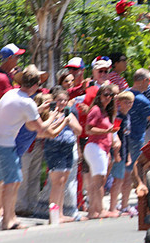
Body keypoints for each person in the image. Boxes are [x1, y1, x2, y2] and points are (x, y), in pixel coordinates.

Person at [0, 65, 64, 230]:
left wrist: (37, 110)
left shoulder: (11, 93)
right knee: (12, 182)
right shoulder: (27, 102)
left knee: (11, 182)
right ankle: (7, 220)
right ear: (35, 85)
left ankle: (10, 217)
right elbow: (41, 128)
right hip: (6, 144)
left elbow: (20, 116)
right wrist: (52, 117)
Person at [43, 86, 82, 223]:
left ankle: (59, 213)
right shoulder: (50, 113)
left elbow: (79, 130)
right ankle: (53, 215)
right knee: (57, 181)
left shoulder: (69, 114)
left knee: (63, 180)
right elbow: (48, 130)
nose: (63, 103)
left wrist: (69, 121)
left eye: (65, 100)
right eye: (60, 100)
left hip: (68, 147)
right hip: (55, 148)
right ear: (54, 100)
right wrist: (62, 121)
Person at [83, 83, 119, 219]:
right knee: (98, 181)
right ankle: (99, 209)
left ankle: (94, 210)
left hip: (102, 149)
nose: (108, 98)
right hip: (95, 147)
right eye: (105, 95)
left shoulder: (105, 111)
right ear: (99, 96)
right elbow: (88, 129)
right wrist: (106, 131)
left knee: (98, 180)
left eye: (111, 95)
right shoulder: (96, 110)